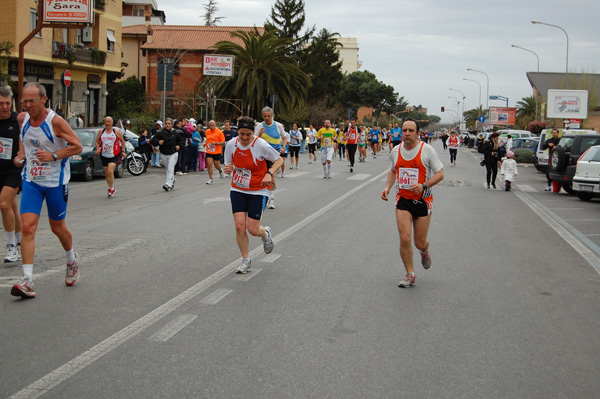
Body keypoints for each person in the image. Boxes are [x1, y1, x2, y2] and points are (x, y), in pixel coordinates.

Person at [11, 82, 83, 299]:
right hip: (32, 181)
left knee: (57, 228)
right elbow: (24, 140)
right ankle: (27, 281)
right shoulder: (22, 119)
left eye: (32, 100)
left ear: (44, 99)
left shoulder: (56, 122)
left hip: (55, 182)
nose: (28, 105)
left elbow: (77, 146)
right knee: (27, 228)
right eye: (25, 101)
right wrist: (21, 155)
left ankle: (72, 260)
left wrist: (53, 156)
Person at [380, 118, 444, 288]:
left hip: (423, 201)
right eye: (404, 130)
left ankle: (424, 250)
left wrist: (424, 185)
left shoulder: (427, 150)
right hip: (403, 200)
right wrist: (387, 187)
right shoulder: (396, 150)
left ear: (417, 133)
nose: (407, 134)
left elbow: (440, 174)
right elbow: (394, 170)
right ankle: (410, 274)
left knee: (419, 242)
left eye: (411, 131)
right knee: (404, 237)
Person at [223, 117, 282, 274]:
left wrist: (269, 173)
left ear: (253, 133)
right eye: (242, 134)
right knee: (239, 226)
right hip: (238, 189)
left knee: (253, 229)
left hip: (258, 190)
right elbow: (228, 165)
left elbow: (279, 160)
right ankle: (245, 260)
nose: (244, 138)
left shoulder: (260, 145)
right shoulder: (231, 144)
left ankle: (266, 233)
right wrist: (227, 169)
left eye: (248, 134)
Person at [0, 87, 23, 263]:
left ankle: (11, 247)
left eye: (8, 103)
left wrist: (21, 156)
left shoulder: (18, 121)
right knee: (12, 206)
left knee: (4, 203)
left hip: (14, 169)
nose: (5, 107)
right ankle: (21, 242)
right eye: (1, 103)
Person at [255, 107, 286, 209]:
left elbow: (284, 137)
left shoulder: (277, 125)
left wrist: (284, 147)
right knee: (262, 176)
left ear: (272, 115)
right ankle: (263, 195)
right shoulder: (259, 126)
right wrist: (260, 133)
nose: (267, 118)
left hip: (274, 155)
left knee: (271, 174)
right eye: (265, 116)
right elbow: (254, 140)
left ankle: (271, 198)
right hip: (262, 155)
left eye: (268, 116)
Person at [95, 116, 126, 198]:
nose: (107, 123)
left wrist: (123, 151)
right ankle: (111, 187)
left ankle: (110, 189)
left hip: (114, 154)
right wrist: (98, 149)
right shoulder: (101, 131)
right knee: (106, 173)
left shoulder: (116, 132)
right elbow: (97, 142)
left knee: (110, 171)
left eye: (109, 122)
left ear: (112, 123)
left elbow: (122, 141)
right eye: (106, 122)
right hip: (104, 154)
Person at [150, 118, 181, 191]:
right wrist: (158, 142)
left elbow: (180, 141)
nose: (167, 125)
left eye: (169, 123)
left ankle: (168, 184)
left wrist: (178, 146)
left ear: (172, 125)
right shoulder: (161, 133)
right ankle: (172, 180)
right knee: (167, 169)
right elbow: (153, 140)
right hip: (164, 153)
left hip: (173, 153)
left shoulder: (175, 133)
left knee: (170, 168)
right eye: (166, 123)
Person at [204, 120, 225, 185]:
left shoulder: (219, 132)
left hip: (217, 151)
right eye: (210, 125)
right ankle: (210, 178)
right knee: (209, 164)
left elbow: (223, 142)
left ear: (215, 125)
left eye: (212, 125)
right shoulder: (207, 131)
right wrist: (205, 144)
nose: (211, 126)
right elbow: (208, 139)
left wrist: (216, 143)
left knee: (216, 165)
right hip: (209, 150)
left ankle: (220, 170)